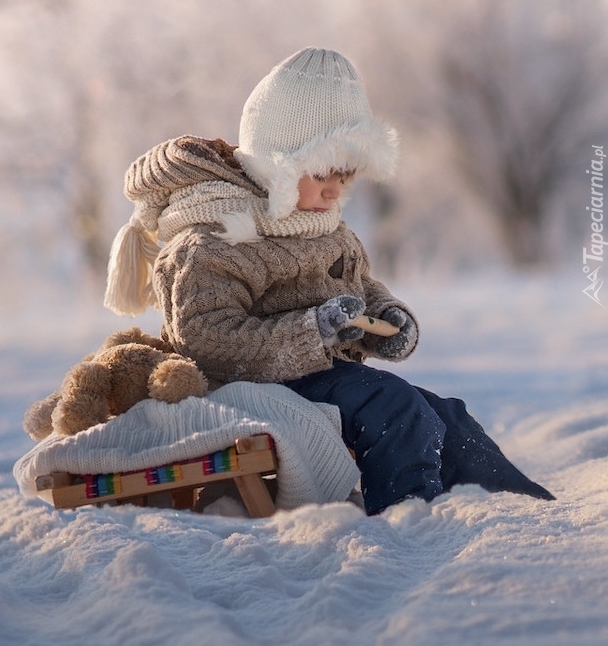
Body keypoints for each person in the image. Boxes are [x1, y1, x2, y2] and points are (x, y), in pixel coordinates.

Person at [104, 48, 554, 515]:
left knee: (444, 413)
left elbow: (360, 283)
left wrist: (386, 316)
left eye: (344, 175)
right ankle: (410, 515)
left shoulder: (321, 224)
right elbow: (204, 338)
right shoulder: (212, 238)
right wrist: (313, 329)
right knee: (392, 407)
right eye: (319, 173)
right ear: (276, 165)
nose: (333, 190)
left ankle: (517, 506)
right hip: (244, 386)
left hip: (316, 376)